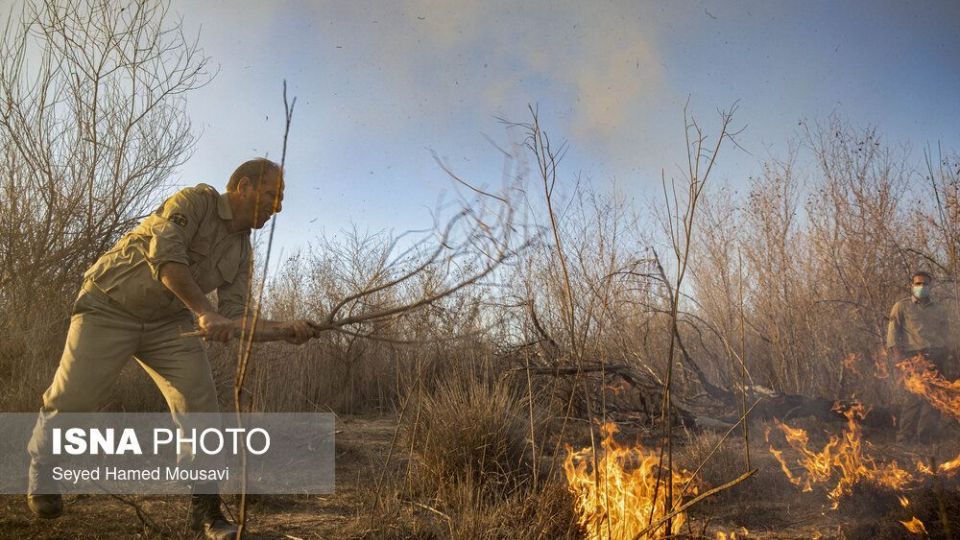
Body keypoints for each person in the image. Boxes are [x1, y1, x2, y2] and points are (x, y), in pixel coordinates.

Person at [26, 158, 314, 539]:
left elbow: (236, 314)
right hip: (109, 305)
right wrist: (205, 312)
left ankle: (207, 513)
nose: (278, 206)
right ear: (243, 186)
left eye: (281, 199)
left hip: (169, 325)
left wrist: (283, 330)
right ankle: (43, 464)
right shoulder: (194, 201)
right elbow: (167, 260)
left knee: (200, 406)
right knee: (73, 397)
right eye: (271, 194)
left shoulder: (242, 251)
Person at [886, 270, 958, 442]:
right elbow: (893, 332)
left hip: (937, 357)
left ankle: (926, 438)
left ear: (930, 286)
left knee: (934, 400)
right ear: (912, 286)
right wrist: (897, 355)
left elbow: (946, 333)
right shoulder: (902, 306)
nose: (921, 287)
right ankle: (904, 437)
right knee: (914, 398)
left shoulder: (939, 309)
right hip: (914, 358)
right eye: (918, 283)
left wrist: (950, 354)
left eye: (925, 284)